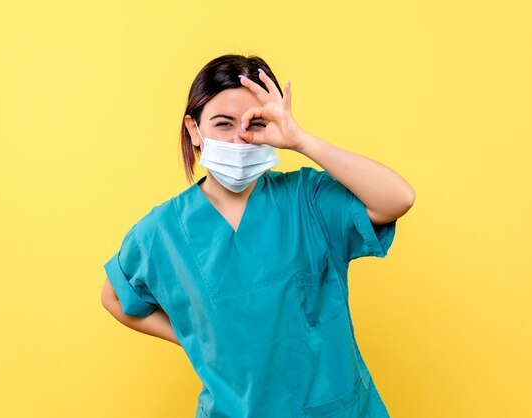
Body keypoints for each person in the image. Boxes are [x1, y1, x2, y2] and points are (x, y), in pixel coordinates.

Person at [101, 54, 415, 418]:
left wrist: (300, 141)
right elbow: (115, 297)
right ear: (194, 130)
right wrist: (194, 335)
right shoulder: (163, 232)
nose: (239, 138)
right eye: (222, 123)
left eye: (254, 123)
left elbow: (398, 198)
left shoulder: (307, 200)